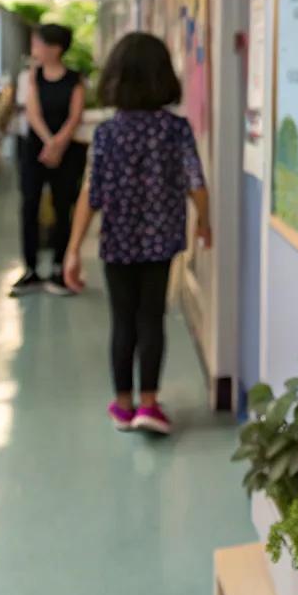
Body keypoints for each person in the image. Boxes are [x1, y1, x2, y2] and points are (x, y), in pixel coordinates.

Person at [62, 32, 211, 436]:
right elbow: (195, 182)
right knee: (152, 320)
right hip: (161, 241)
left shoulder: (108, 133)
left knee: (122, 321)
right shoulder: (176, 130)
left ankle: (123, 405)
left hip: (118, 241)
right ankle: (149, 404)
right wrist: (205, 221)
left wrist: (73, 250)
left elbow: (91, 194)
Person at [11, 24, 87, 297]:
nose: (34, 49)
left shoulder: (75, 79)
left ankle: (58, 266)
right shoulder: (31, 76)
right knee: (29, 204)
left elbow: (75, 115)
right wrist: (48, 142)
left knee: (63, 205)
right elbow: (33, 112)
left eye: (38, 43)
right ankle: (31, 269)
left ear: (55, 48)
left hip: (67, 150)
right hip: (35, 149)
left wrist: (58, 144)